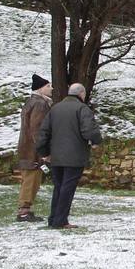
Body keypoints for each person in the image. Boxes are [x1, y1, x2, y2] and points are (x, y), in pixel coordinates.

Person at [35, 81, 102, 230]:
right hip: (74, 156)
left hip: (56, 157)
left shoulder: (55, 108)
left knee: (59, 187)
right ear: (81, 94)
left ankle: (53, 218)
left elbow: (44, 132)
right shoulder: (82, 109)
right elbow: (89, 130)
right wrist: (96, 141)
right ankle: (60, 220)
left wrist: (44, 152)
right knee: (67, 188)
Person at [15, 74, 53, 221]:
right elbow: (37, 129)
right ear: (40, 89)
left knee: (30, 179)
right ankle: (23, 211)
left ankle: (25, 210)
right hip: (32, 151)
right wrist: (43, 151)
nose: (51, 88)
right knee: (31, 180)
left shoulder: (31, 102)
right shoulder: (40, 104)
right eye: (48, 86)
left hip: (27, 148)